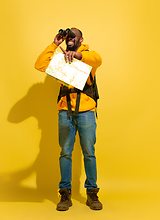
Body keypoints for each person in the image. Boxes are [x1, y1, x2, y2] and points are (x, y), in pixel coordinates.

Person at [35, 27, 103, 211]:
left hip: (87, 111)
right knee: (65, 152)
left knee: (89, 152)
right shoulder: (61, 58)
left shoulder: (88, 57)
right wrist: (54, 44)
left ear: (81, 40)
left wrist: (78, 56)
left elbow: (99, 59)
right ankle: (65, 193)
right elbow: (39, 65)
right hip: (65, 111)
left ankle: (92, 193)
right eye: (68, 36)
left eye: (74, 36)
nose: (70, 38)